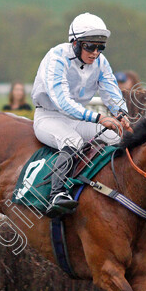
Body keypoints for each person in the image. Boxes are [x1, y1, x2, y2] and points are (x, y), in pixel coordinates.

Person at [31, 12, 132, 218]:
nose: (95, 53)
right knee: (73, 142)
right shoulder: (57, 57)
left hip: (77, 118)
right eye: (90, 46)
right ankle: (56, 195)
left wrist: (122, 113)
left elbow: (111, 90)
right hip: (49, 117)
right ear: (75, 43)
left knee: (115, 137)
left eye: (100, 47)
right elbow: (62, 101)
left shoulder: (101, 62)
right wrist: (98, 118)